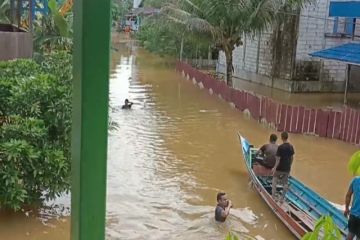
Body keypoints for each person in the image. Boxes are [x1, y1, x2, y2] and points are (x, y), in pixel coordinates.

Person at [271, 131, 295, 202]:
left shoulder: (280, 147)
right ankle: (282, 199)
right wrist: (290, 165)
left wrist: (274, 168)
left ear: (282, 138)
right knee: (285, 183)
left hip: (280, 168)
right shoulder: (291, 146)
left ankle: (273, 197)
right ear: (287, 137)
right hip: (287, 168)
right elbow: (292, 158)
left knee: (274, 180)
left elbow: (278, 159)